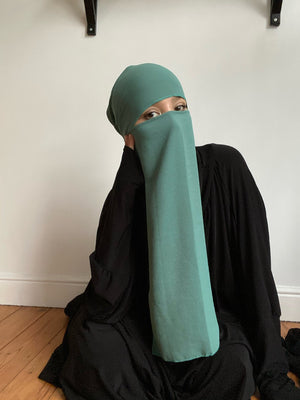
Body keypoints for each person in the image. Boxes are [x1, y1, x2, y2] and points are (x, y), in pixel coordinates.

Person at [39, 63, 300, 400]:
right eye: (151, 115)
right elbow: (106, 298)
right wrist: (130, 172)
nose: (172, 122)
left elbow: (255, 274)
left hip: (211, 314)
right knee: (93, 349)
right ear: (127, 132)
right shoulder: (127, 189)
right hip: (139, 318)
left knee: (233, 364)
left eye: (179, 108)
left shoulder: (225, 167)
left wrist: (273, 376)